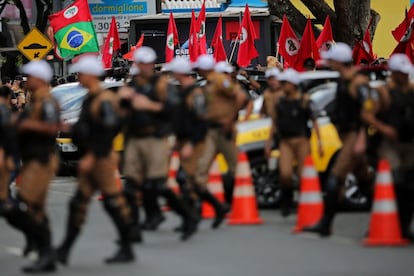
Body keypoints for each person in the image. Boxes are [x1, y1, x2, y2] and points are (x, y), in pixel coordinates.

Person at [55, 56, 136, 265]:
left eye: (81, 73)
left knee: (112, 202)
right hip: (93, 157)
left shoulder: (103, 99)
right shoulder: (92, 98)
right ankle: (64, 250)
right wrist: (69, 129)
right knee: (78, 204)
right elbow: (89, 127)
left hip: (100, 159)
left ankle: (127, 245)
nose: (78, 76)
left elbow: (108, 130)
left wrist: (91, 156)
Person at [119, 46, 198, 240]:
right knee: (131, 186)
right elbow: (123, 111)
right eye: (142, 63)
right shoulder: (132, 84)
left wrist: (151, 106)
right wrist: (122, 100)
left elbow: (174, 109)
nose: (145, 67)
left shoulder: (162, 85)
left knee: (157, 185)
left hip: (155, 138)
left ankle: (188, 216)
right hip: (135, 138)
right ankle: (134, 230)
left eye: (148, 63)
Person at [303, 43, 372, 237]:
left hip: (353, 135)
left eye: (332, 59)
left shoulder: (357, 83)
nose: (329, 63)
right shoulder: (343, 80)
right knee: (364, 179)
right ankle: (391, 217)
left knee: (335, 177)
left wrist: (360, 139)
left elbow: (366, 113)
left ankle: (325, 224)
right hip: (345, 134)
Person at [4, 60, 60, 273]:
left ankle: (45, 250)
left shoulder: (46, 100)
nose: (27, 81)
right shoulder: (36, 100)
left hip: (41, 158)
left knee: (27, 202)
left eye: (30, 77)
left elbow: (51, 126)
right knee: (33, 206)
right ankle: (42, 248)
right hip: (31, 157)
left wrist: (25, 124)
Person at [365, 54, 414, 241]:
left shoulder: (411, 90)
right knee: (394, 181)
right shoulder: (383, 92)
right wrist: (384, 128)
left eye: (405, 73)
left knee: (410, 186)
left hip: (408, 142)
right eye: (400, 73)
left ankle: (404, 227)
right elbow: (368, 115)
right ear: (393, 73)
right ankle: (379, 223)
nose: (403, 76)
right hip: (389, 143)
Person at [192, 55, 241, 227]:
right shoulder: (208, 85)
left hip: (224, 130)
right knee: (202, 166)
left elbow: (238, 96)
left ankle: (234, 201)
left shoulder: (220, 80)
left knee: (235, 167)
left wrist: (230, 118)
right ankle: (205, 202)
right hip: (211, 130)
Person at [265, 69, 322, 217]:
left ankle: (304, 203)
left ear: (293, 84)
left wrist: (320, 142)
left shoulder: (305, 100)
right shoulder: (280, 102)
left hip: (302, 140)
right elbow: (274, 123)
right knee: (285, 173)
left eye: (285, 83)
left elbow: (315, 122)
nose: (282, 85)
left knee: (303, 174)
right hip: (286, 142)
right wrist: (268, 143)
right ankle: (287, 202)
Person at [0, 85, 16, 215]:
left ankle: (7, 198)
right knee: (9, 172)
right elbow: (5, 132)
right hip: (4, 149)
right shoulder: (3, 110)